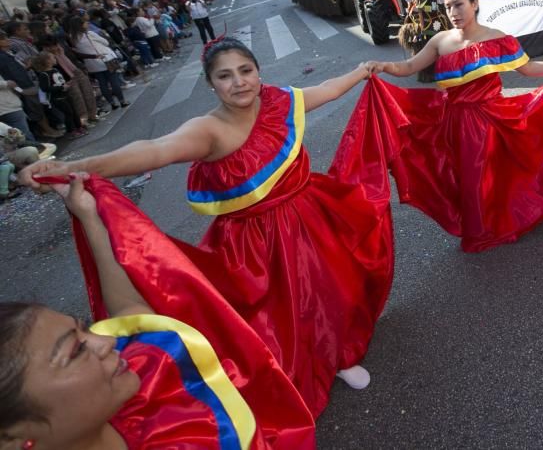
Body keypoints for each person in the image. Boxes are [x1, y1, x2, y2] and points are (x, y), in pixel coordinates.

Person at [20, 37, 394, 416]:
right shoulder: (207, 130)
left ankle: (339, 355)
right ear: (211, 83)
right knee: (278, 315)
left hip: (311, 214)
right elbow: (154, 150)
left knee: (329, 289)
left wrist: (362, 71)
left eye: (246, 71)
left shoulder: (281, 101)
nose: (239, 82)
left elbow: (326, 90)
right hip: (256, 243)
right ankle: (288, 372)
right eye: (225, 76)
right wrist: (75, 168)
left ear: (258, 71)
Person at [0, 174, 315, 448]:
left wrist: (90, 215)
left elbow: (130, 313)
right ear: (11, 439)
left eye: (85, 329)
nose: (107, 340)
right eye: (75, 350)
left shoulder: (142, 377)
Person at [334, 0, 543, 252]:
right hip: (452, 122)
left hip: (490, 120)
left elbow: (529, 69)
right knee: (462, 178)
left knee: (485, 177)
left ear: (474, 4)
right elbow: (410, 67)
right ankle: (487, 220)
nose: (453, 12)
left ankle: (484, 229)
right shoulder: (441, 41)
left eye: (459, 4)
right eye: (448, 6)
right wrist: (383, 66)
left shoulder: (497, 38)